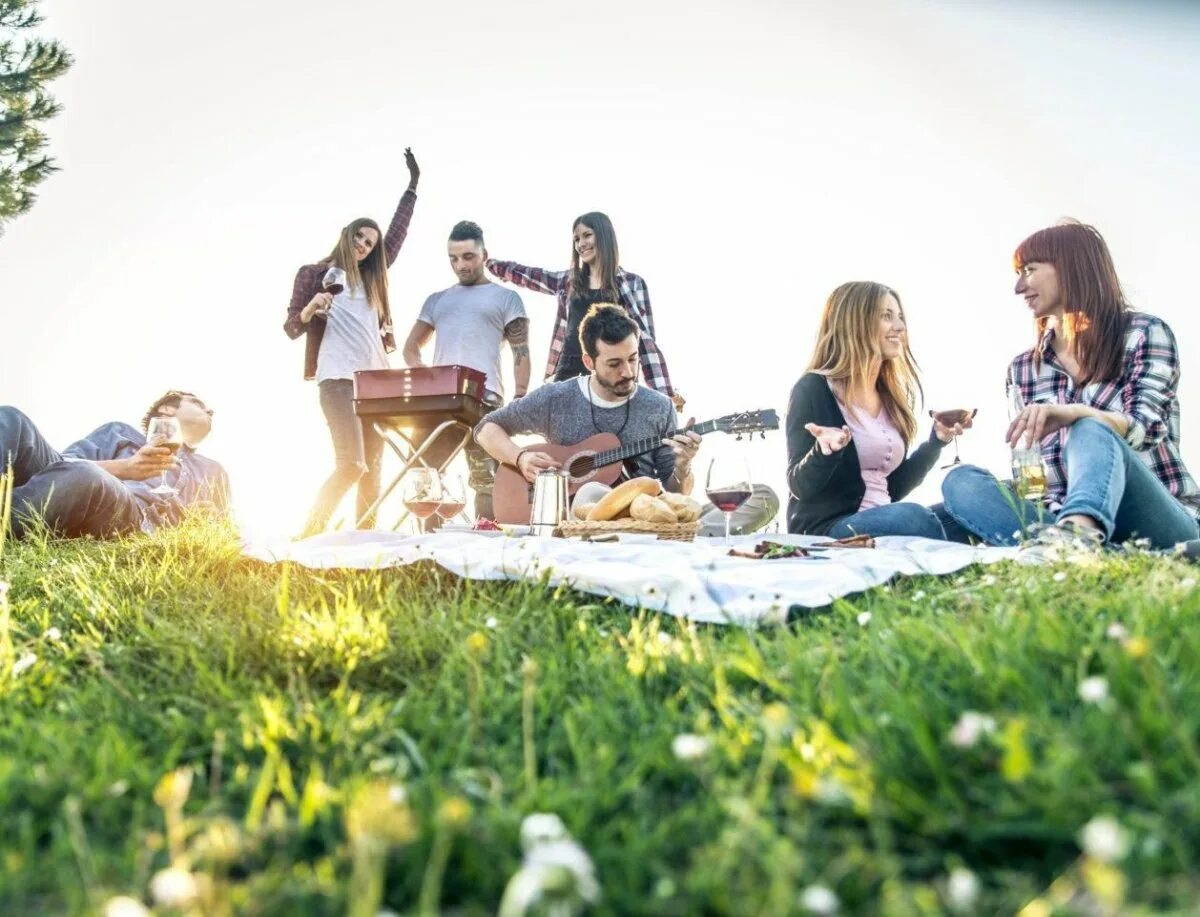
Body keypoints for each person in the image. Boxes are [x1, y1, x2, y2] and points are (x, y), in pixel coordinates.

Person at [940, 222, 1200, 553]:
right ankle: (1085, 549)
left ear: (1070, 267)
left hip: (1157, 518)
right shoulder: (1023, 370)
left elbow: (1146, 427)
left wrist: (1075, 413)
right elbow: (1030, 473)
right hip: (1057, 516)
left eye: (1029, 270)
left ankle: (1079, 537)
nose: (1019, 287)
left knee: (1090, 427)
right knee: (960, 484)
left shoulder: (1143, 333)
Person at [284, 148, 420, 537]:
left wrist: (412, 187)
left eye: (370, 243)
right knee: (351, 464)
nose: (364, 245)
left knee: (372, 473)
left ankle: (365, 544)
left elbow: (397, 233)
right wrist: (311, 308)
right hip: (337, 379)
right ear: (347, 235)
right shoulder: (315, 274)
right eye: (359, 237)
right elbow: (292, 328)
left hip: (378, 383)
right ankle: (308, 535)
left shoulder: (373, 278)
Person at [786, 282, 967, 538]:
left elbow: (891, 488)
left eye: (900, 317)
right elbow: (799, 485)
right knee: (913, 517)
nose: (900, 327)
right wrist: (824, 451)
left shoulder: (888, 396)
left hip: (885, 519)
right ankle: (942, 553)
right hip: (832, 530)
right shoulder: (813, 388)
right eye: (886, 316)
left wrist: (937, 442)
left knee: (970, 506)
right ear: (855, 322)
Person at [475, 304, 700, 493]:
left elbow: (675, 494)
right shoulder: (556, 397)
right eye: (614, 364)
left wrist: (683, 467)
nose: (628, 372)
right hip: (565, 524)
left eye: (632, 359)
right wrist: (520, 458)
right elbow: (485, 428)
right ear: (589, 362)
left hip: (634, 529)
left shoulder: (660, 407)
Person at [401, 220, 530, 521]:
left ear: (484, 254)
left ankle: (485, 545)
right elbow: (410, 347)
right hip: (440, 399)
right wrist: (423, 373)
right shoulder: (437, 300)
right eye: (453, 258)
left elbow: (520, 351)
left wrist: (521, 395)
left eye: (468, 257)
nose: (461, 265)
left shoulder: (506, 298)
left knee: (485, 479)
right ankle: (427, 548)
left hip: (485, 399)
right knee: (422, 475)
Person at [485, 211, 683, 407]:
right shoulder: (568, 282)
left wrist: (664, 396)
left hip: (612, 372)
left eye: (587, 235)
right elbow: (531, 275)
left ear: (604, 236)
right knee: (562, 435)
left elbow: (645, 343)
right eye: (576, 239)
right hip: (570, 372)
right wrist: (490, 264)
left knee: (609, 437)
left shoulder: (632, 284)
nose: (581, 244)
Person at [1, 391, 230, 539]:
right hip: (72, 481)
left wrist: (206, 524)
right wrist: (125, 467)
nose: (209, 411)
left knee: (85, 475)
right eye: (199, 404)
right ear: (167, 409)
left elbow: (225, 532)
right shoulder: (118, 432)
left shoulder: (212, 471)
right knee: (12, 419)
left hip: (132, 514)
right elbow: (61, 465)